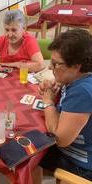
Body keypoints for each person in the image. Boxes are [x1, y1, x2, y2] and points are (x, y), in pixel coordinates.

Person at [34, 29, 92, 182]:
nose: (49, 68)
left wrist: (48, 102)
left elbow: (60, 139)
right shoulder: (80, 77)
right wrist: (57, 83)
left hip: (82, 164)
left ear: (76, 66)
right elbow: (67, 86)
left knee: (29, 156)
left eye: (55, 64)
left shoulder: (82, 91)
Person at [0, 9, 44, 73]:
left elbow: (40, 65)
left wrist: (11, 64)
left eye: (14, 30)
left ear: (23, 29)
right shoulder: (2, 40)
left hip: (23, 80)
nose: (10, 34)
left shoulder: (30, 41)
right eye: (7, 30)